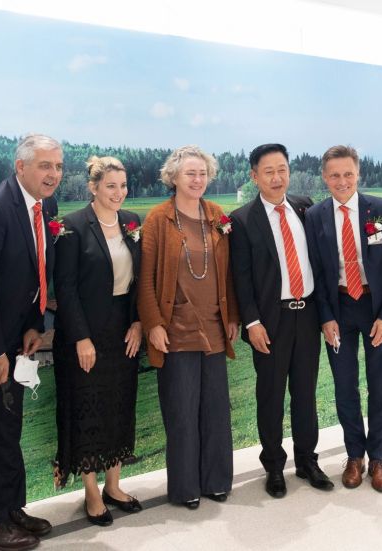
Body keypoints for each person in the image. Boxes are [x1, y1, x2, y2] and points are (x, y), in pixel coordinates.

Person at [0, 134, 62, 550]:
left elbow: (36, 272)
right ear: (20, 168)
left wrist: (36, 325)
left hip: (21, 337)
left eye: (57, 166)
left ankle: (11, 509)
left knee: (9, 426)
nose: (53, 174)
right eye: (44, 166)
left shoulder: (45, 206)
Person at [137, 145, 240, 509]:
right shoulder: (157, 219)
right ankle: (185, 488)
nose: (197, 180)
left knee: (215, 410)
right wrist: (153, 324)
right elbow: (145, 279)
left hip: (213, 326)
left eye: (202, 174)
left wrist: (232, 317)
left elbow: (228, 270)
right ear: (173, 178)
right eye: (189, 174)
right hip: (175, 328)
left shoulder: (216, 215)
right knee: (181, 412)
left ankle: (215, 481)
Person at [229, 143, 332, 498]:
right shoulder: (242, 220)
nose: (277, 177)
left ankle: (307, 461)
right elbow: (240, 279)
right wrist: (251, 322)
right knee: (270, 397)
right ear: (255, 176)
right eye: (268, 171)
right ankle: (274, 466)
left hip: (308, 317)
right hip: (270, 322)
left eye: (282, 169)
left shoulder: (305, 208)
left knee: (306, 394)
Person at [304, 145, 382, 493]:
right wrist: (325, 317)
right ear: (324, 177)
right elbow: (316, 272)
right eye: (334, 175)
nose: (342, 181)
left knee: (378, 386)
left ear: (358, 173)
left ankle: (378, 458)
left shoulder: (380, 210)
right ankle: (355, 456)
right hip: (339, 310)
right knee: (344, 386)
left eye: (348, 174)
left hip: (377, 309)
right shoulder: (316, 216)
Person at [52, 155, 143, 526]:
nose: (118, 193)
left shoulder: (133, 222)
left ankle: (114, 485)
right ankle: (91, 493)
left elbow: (142, 278)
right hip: (86, 336)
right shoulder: (71, 227)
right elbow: (66, 289)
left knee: (119, 408)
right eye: (110, 186)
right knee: (88, 411)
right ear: (93, 188)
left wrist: (138, 322)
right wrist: (81, 338)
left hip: (123, 332)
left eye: (123, 186)